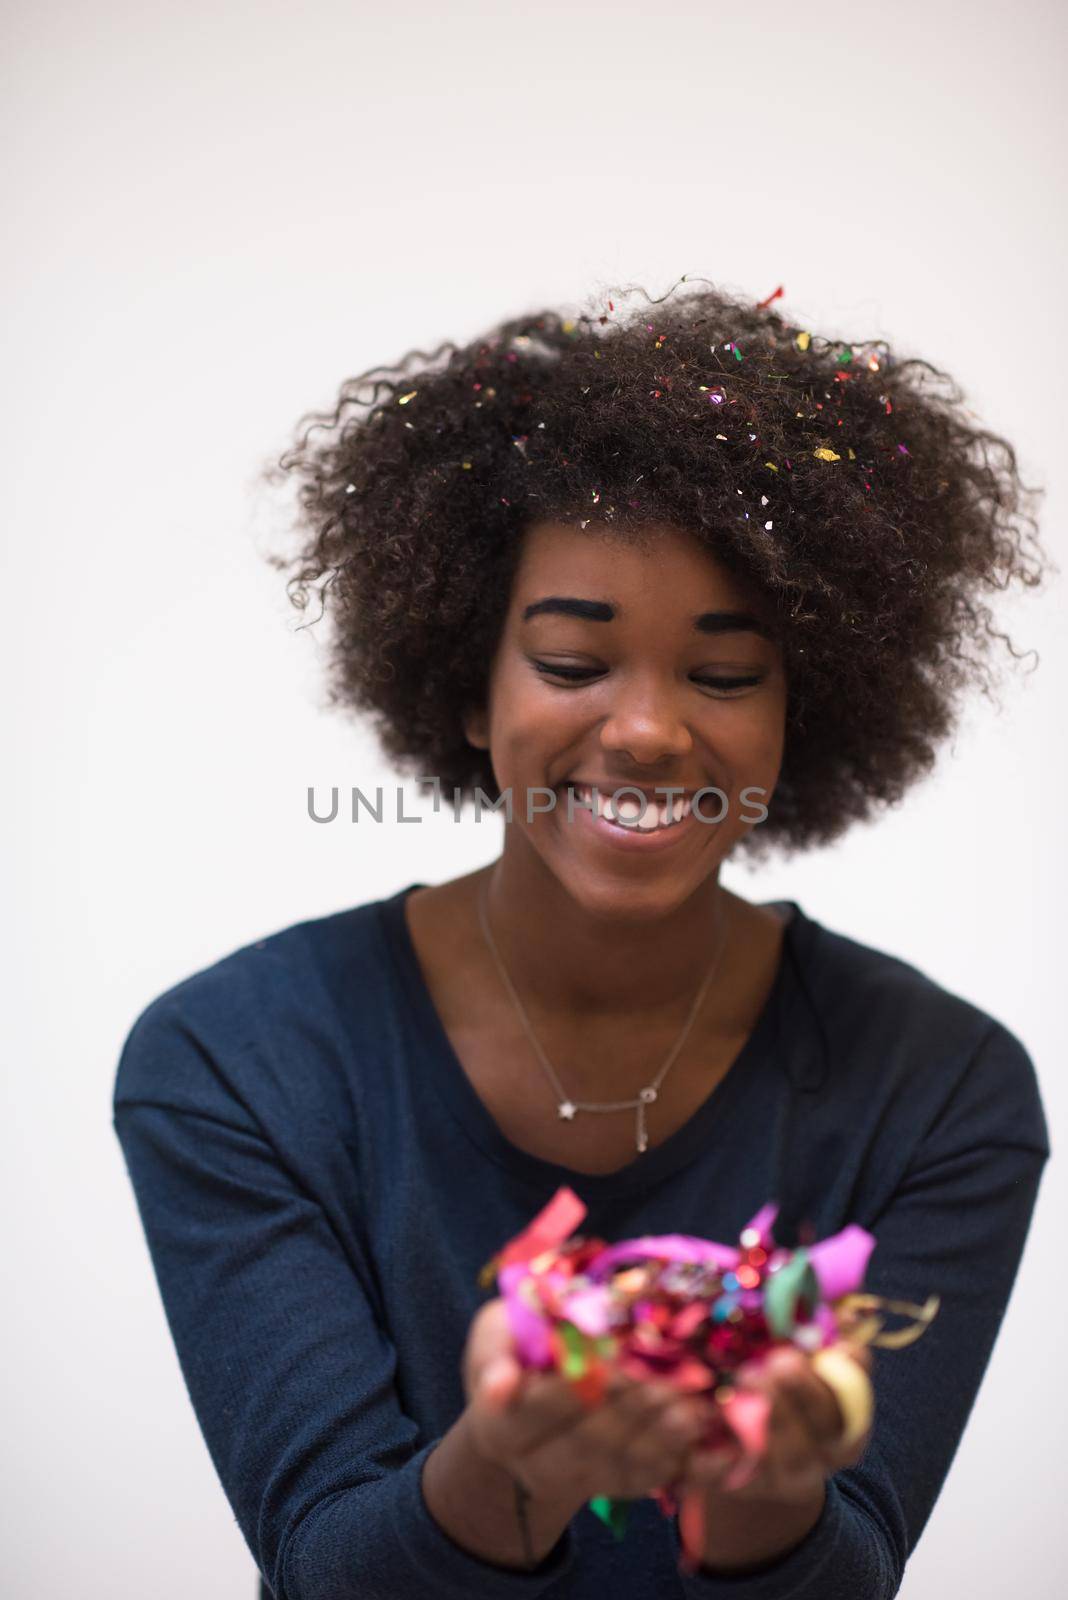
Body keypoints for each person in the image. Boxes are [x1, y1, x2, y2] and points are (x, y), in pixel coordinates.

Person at [112, 280, 1051, 1599]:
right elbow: (328, 1565)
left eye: (723, 675)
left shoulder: (940, 1093)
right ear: (470, 687)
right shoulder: (236, 1062)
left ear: (810, 709)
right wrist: (520, 1462)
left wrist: (767, 1479)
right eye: (569, 661)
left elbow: (853, 1573)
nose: (650, 731)